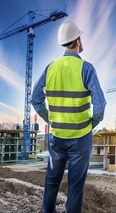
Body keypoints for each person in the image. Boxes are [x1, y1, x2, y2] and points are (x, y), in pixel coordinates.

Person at [31, 21, 106, 213]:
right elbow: (100, 105)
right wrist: (91, 124)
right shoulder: (86, 68)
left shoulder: (50, 68)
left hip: (57, 136)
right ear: (78, 41)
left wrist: (50, 119)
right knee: (75, 185)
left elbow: (35, 99)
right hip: (80, 138)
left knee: (52, 179)